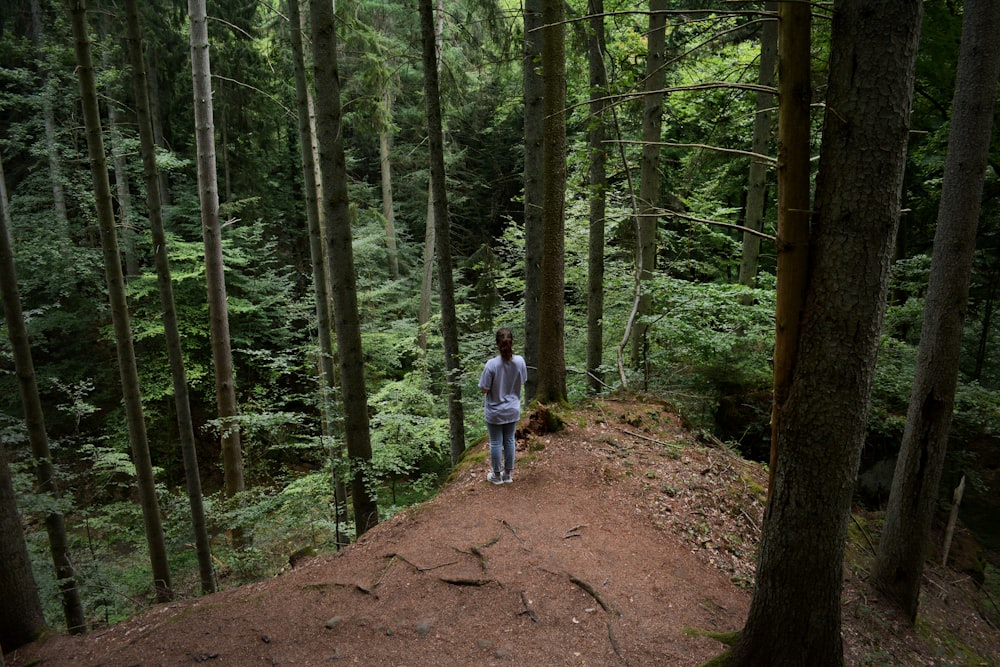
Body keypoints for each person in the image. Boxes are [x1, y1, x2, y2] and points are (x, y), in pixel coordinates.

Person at [478, 327, 527, 485]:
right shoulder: (519, 361)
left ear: (497, 344)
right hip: (512, 409)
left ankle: (496, 476)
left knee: (495, 442)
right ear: (512, 342)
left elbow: (484, 389)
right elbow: (523, 380)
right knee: (510, 440)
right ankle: (508, 474)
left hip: (495, 411)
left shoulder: (491, 365)